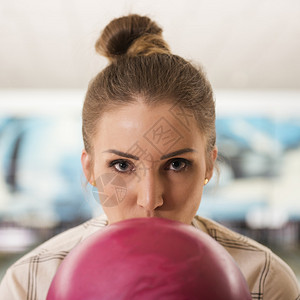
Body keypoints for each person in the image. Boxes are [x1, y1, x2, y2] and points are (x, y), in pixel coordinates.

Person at [0, 14, 299, 300]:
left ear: (209, 165)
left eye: (177, 164)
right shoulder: (28, 282)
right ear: (89, 169)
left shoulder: (266, 280)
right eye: (121, 165)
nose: (150, 198)